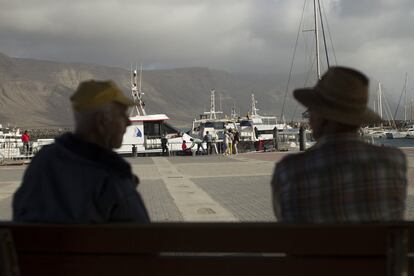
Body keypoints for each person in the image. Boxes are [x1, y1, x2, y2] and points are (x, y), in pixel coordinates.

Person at [271, 67, 407, 223]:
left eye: (312, 110)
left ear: (324, 116)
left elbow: (283, 221)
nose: (309, 119)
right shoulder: (394, 162)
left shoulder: (288, 170)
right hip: (375, 247)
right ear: (358, 117)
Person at [13, 80, 150, 223]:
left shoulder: (42, 160)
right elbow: (143, 235)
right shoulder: (112, 175)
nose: (128, 122)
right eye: (122, 115)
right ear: (102, 121)